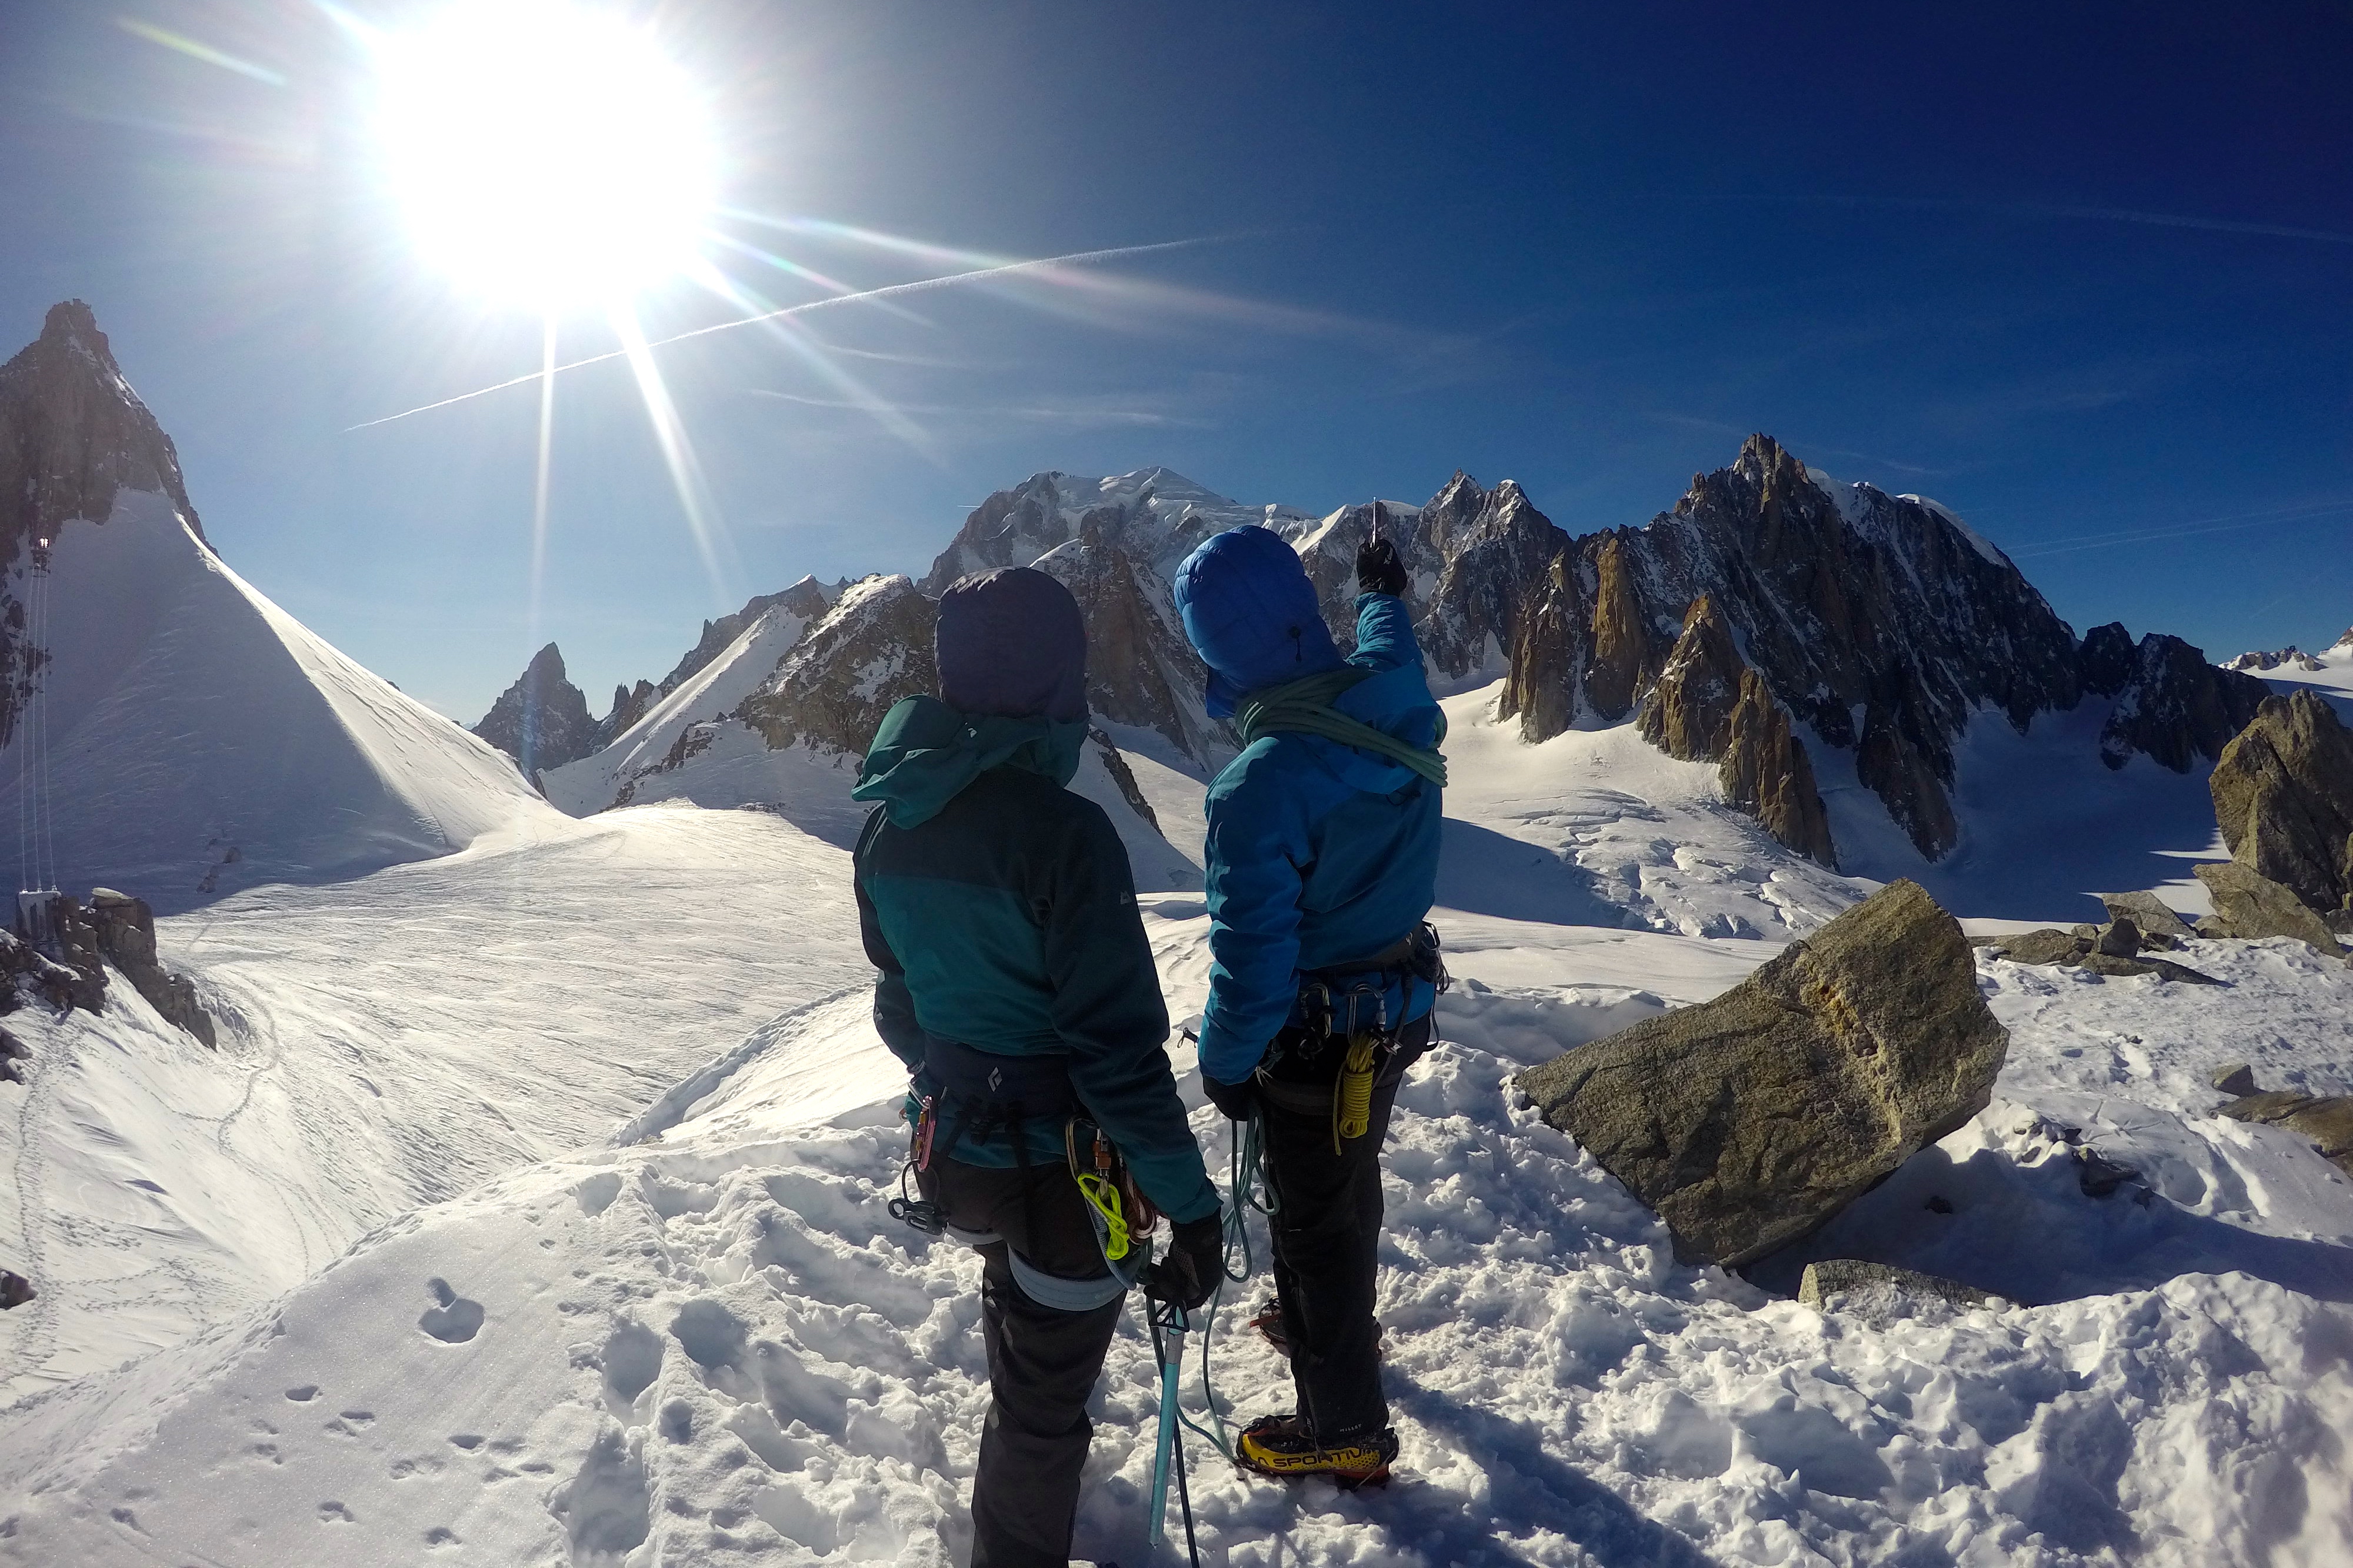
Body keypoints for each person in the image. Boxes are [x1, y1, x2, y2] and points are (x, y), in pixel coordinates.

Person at [851, 565, 1224, 1568]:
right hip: (1069, 1183)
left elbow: (900, 1005)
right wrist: (1193, 1210)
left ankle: (1021, 1387)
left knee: (1019, 1324)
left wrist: (970, 1076)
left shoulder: (890, 825)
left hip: (958, 1161)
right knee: (1042, 1415)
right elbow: (1117, 1059)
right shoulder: (1068, 837)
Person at [1170, 521, 1445, 1489]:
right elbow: (1392, 644)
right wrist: (1381, 589)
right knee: (1346, 1183)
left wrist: (1225, 1063)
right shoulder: (1395, 698)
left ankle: (1346, 1426)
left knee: (1311, 1223)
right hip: (1394, 1013)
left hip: (1315, 1043)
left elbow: (1254, 960)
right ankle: (1335, 1327)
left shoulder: (1258, 785)